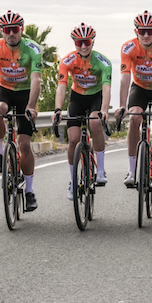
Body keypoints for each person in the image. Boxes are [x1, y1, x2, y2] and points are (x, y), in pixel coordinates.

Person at [0, 10, 42, 211]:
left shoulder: (33, 49)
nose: (11, 33)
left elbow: (36, 80)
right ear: (1, 31)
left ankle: (29, 191)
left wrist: (31, 106)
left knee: (24, 145)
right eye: (7, 30)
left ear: (21, 29)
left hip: (25, 94)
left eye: (15, 29)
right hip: (4, 90)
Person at [114, 10, 152, 193]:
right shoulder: (128, 48)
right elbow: (125, 79)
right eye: (142, 31)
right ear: (136, 32)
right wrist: (122, 105)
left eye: (150, 31)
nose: (146, 35)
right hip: (139, 88)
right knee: (134, 119)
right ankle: (131, 170)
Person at [53, 23, 112, 200]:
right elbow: (61, 87)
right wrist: (58, 109)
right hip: (77, 98)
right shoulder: (67, 61)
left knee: (95, 122)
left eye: (87, 42)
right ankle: (73, 180)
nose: (84, 46)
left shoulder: (103, 62)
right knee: (73, 140)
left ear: (93, 42)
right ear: (75, 43)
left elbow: (107, 88)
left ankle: (100, 170)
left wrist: (104, 110)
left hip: (96, 98)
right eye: (79, 43)